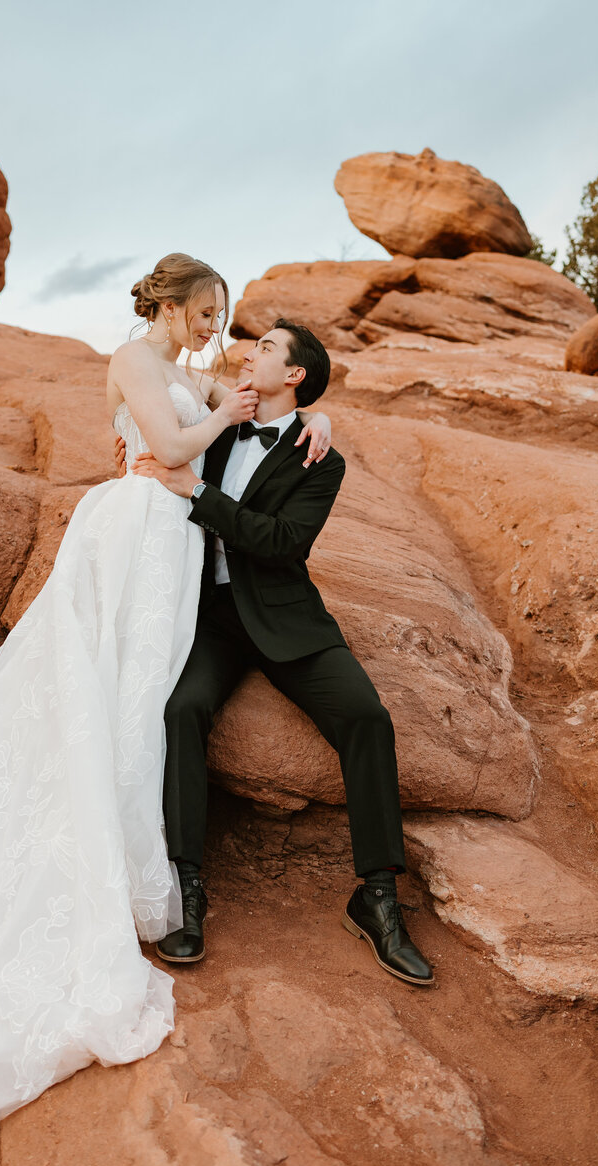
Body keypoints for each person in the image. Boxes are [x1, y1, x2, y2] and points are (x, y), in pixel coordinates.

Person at [0, 254, 333, 1138]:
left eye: (225, 314)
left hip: (174, 546)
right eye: (208, 310)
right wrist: (215, 412)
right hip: (133, 529)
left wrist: (316, 413)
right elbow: (174, 450)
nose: (218, 326)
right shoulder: (139, 362)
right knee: (99, 690)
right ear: (170, 304)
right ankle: (78, 860)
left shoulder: (194, 374)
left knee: (141, 705)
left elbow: (257, 423)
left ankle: (124, 861)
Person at [129, 318, 434, 986]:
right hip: (207, 616)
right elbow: (163, 410)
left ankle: (377, 896)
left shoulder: (322, 457)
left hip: (286, 617)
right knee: (181, 712)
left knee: (367, 718)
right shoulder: (214, 420)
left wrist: (201, 494)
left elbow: (280, 542)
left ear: (294, 375)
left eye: (265, 348)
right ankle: (187, 890)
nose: (247, 352)